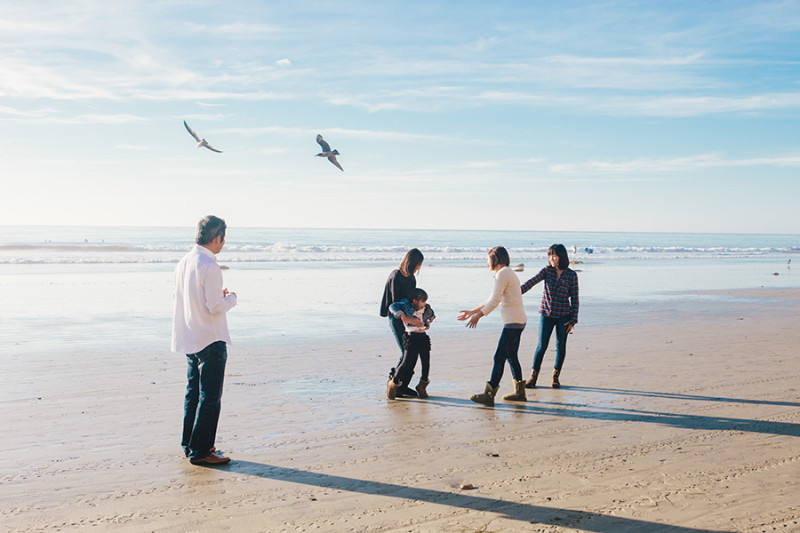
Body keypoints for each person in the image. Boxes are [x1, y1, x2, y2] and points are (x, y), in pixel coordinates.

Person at [171, 215, 238, 465]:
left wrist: (217, 299)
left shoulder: (184, 262)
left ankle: (190, 443)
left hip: (191, 336)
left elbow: (188, 298)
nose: (223, 244)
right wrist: (231, 297)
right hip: (210, 337)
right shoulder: (209, 265)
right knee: (210, 397)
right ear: (217, 237)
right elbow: (215, 306)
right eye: (223, 239)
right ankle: (201, 451)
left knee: (193, 394)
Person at [458, 246, 527, 406]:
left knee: (499, 357)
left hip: (513, 323)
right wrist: (471, 312)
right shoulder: (506, 272)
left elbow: (495, 301)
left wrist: (478, 316)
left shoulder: (503, 273)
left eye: (488, 258)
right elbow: (492, 298)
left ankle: (489, 394)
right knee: (511, 356)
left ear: (496, 259)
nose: (487, 261)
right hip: (518, 321)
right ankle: (520, 393)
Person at [520, 244, 579, 389]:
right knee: (541, 346)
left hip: (563, 317)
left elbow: (575, 299)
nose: (551, 258)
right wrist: (515, 291)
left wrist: (573, 320)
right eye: (549, 255)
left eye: (554, 255)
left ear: (561, 256)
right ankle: (533, 377)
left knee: (561, 346)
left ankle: (555, 377)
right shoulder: (547, 271)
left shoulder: (571, 275)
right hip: (546, 314)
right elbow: (531, 283)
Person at [379, 248, 424, 397]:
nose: (419, 268)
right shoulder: (396, 276)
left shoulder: (411, 278)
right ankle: (393, 383)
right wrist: (407, 319)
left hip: (409, 318)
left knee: (414, 351)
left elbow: (413, 301)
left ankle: (403, 385)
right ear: (411, 262)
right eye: (418, 264)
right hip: (397, 318)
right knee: (406, 352)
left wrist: (424, 317)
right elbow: (394, 304)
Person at [386, 288, 435, 400]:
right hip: (411, 337)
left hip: (423, 337)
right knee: (406, 362)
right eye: (422, 301)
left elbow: (431, 314)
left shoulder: (426, 308)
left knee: (426, 362)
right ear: (414, 301)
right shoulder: (406, 307)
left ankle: (422, 386)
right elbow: (392, 306)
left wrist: (429, 320)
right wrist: (403, 315)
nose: (424, 303)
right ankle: (393, 384)